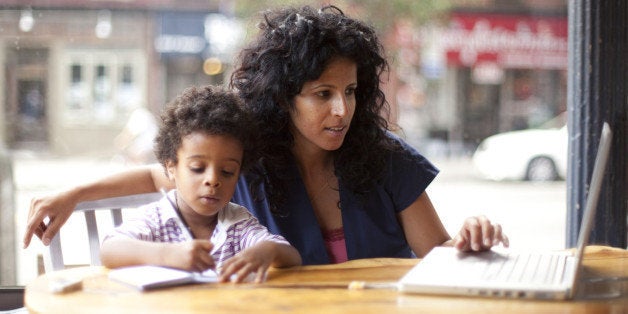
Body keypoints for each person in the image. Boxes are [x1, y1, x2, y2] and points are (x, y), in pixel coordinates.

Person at [24, 5, 508, 265]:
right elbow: (159, 177)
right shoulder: (244, 157)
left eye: (351, 91)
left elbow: (438, 256)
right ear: (283, 97)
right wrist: (71, 195)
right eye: (323, 94)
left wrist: (471, 240)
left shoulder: (384, 158)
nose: (343, 110)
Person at [100, 85, 301, 282]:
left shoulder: (237, 223)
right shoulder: (156, 220)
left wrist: (268, 250)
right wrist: (167, 255)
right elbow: (109, 250)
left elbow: (293, 257)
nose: (213, 180)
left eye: (227, 172)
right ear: (171, 168)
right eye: (197, 168)